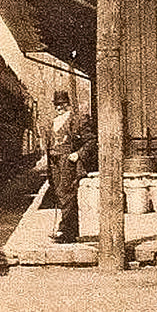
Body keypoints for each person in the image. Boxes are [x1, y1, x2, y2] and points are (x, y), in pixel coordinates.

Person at [44, 90, 92, 243]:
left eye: (62, 105)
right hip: (54, 163)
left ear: (68, 105)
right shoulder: (53, 122)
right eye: (57, 105)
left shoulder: (77, 120)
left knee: (67, 194)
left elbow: (91, 141)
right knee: (59, 194)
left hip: (68, 161)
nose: (59, 108)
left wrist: (78, 154)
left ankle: (66, 231)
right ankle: (68, 231)